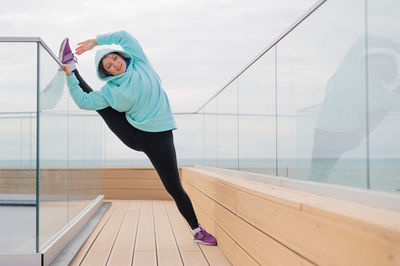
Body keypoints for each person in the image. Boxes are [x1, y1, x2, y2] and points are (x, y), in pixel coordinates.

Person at [60, 31, 217, 245]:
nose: (114, 64)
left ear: (121, 57)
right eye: (108, 66)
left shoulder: (140, 64)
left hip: (160, 138)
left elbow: (125, 37)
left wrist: (96, 42)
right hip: (135, 135)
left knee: (174, 187)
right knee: (102, 107)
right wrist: (69, 77)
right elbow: (84, 101)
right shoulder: (111, 89)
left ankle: (197, 231)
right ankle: (72, 67)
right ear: (106, 73)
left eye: (114, 58)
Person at [309, 35, 400, 182]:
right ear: (369, 59)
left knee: (385, 105)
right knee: (318, 175)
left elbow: (395, 102)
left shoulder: (377, 91)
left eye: (385, 67)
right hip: (326, 133)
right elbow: (362, 40)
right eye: (379, 61)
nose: (379, 67)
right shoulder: (349, 67)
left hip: (348, 135)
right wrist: (392, 45)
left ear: (387, 73)